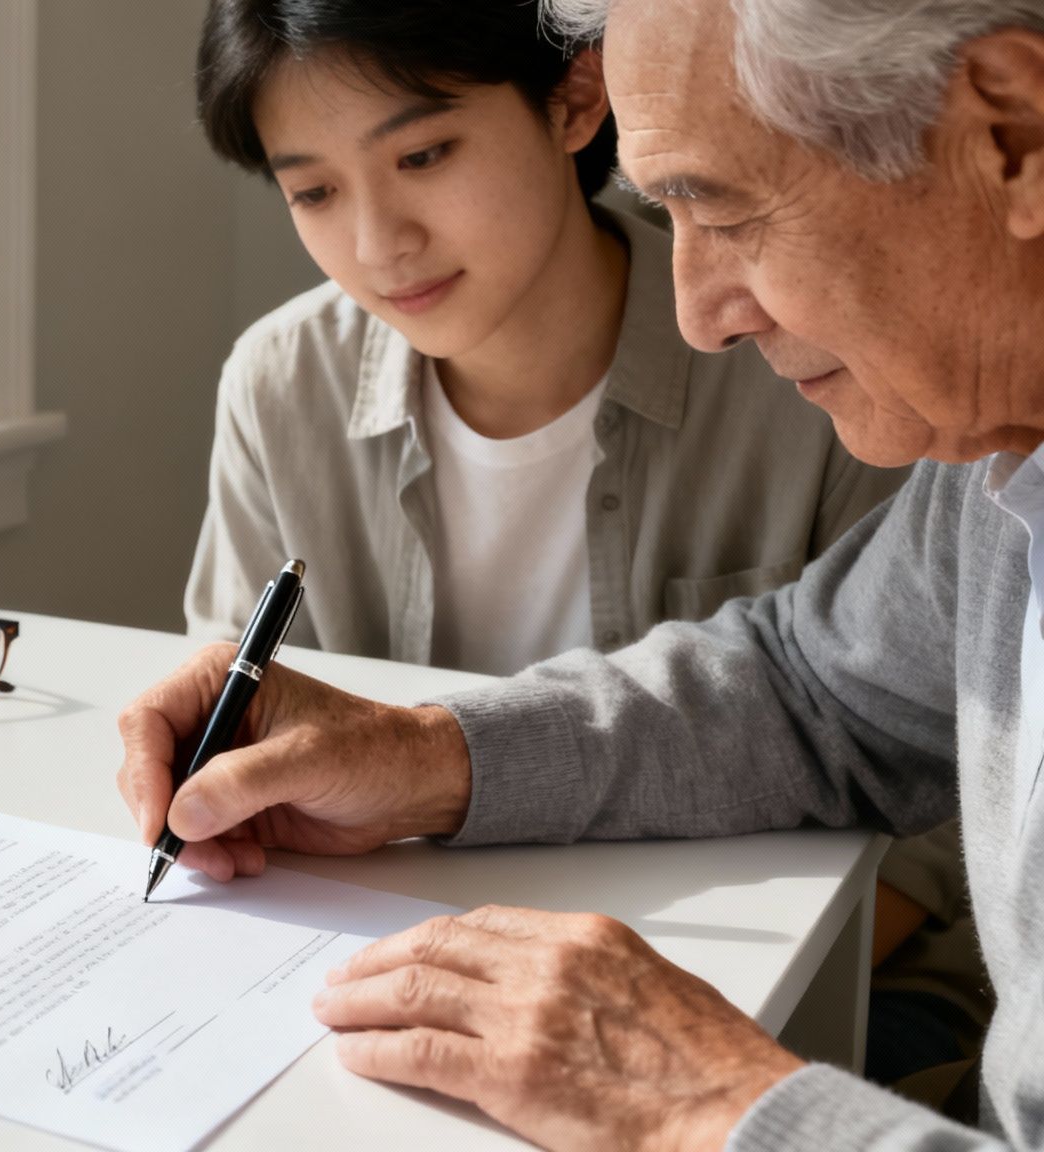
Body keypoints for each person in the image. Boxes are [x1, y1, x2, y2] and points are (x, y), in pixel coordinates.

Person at [116, 0, 1044, 1147]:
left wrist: (710, 1107)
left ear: (1009, 136)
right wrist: (423, 755)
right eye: (312, 189)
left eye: (730, 208)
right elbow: (812, 691)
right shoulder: (994, 467)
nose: (698, 317)